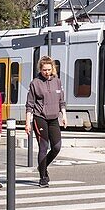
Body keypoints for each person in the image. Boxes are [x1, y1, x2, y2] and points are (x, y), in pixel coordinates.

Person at [25, 56, 66, 187]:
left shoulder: (58, 81)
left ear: (53, 68)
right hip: (39, 117)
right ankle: (43, 176)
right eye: (44, 70)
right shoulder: (35, 83)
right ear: (40, 69)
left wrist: (64, 116)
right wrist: (27, 122)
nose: (46, 72)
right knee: (43, 147)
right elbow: (29, 104)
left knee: (56, 147)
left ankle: (42, 166)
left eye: (49, 69)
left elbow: (62, 101)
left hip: (54, 118)